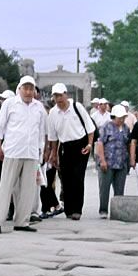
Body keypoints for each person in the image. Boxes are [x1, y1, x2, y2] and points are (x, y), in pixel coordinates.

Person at [0, 75, 47, 234]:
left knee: (28, 189)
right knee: (6, 187)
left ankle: (22, 221)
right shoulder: (10, 104)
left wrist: (40, 153)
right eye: (26, 88)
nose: (29, 92)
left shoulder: (39, 107)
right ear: (20, 89)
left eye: (31, 89)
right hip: (13, 151)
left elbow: (41, 132)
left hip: (31, 153)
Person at [45, 82, 95, 220]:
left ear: (66, 95)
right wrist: (54, 154)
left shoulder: (76, 107)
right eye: (56, 96)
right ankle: (69, 208)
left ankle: (77, 209)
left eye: (60, 95)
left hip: (80, 145)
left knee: (78, 177)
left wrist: (90, 145)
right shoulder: (53, 113)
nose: (59, 98)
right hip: (65, 146)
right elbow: (53, 137)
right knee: (66, 178)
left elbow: (90, 128)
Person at [96, 105, 131, 218]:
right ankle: (103, 210)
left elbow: (128, 143)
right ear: (114, 116)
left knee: (120, 189)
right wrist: (102, 160)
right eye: (119, 117)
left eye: (123, 117)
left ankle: (118, 211)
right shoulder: (106, 126)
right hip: (108, 162)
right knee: (104, 188)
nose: (121, 120)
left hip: (121, 163)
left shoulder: (126, 128)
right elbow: (100, 143)